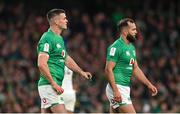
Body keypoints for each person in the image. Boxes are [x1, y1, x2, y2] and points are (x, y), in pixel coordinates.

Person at [37, 9, 92, 113]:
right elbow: (41, 63)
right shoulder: (47, 38)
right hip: (49, 86)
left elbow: (66, 59)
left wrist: (81, 72)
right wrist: (53, 83)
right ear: (56, 21)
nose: (66, 20)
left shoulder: (59, 39)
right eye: (64, 18)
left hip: (52, 86)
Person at [105, 18, 158, 113]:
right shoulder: (116, 47)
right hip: (117, 87)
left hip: (124, 88)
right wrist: (115, 90)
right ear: (125, 31)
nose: (136, 32)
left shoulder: (131, 48)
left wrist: (148, 84)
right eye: (133, 29)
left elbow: (135, 69)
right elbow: (108, 69)